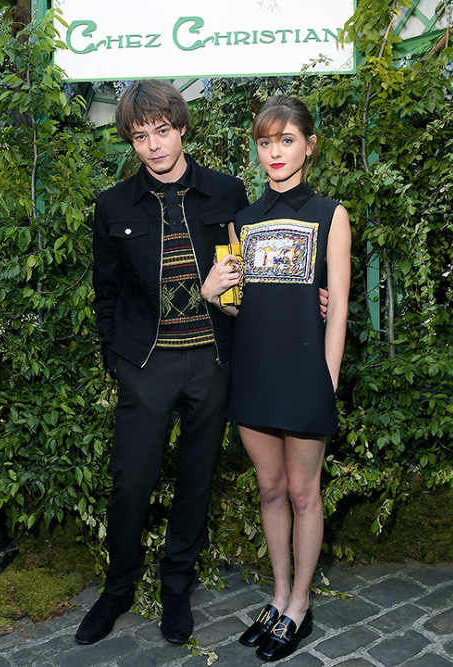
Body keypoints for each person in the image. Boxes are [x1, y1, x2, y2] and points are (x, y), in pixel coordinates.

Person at [75, 79, 249, 646]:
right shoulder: (112, 204)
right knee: (130, 483)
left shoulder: (227, 191)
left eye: (161, 131)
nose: (152, 145)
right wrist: (116, 359)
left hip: (211, 360)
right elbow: (106, 292)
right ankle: (118, 587)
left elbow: (254, 274)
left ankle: (176, 587)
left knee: (196, 480)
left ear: (180, 127)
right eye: (140, 135)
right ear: (130, 140)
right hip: (146, 365)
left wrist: (312, 295)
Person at [201, 95, 351, 662]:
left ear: (309, 145)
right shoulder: (244, 220)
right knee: (268, 489)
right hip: (255, 371)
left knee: (302, 491)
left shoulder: (331, 214)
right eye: (266, 142)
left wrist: (328, 375)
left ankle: (301, 604)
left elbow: (336, 305)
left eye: (286, 140)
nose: (275, 152)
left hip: (305, 373)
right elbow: (251, 304)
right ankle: (280, 595)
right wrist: (213, 294)